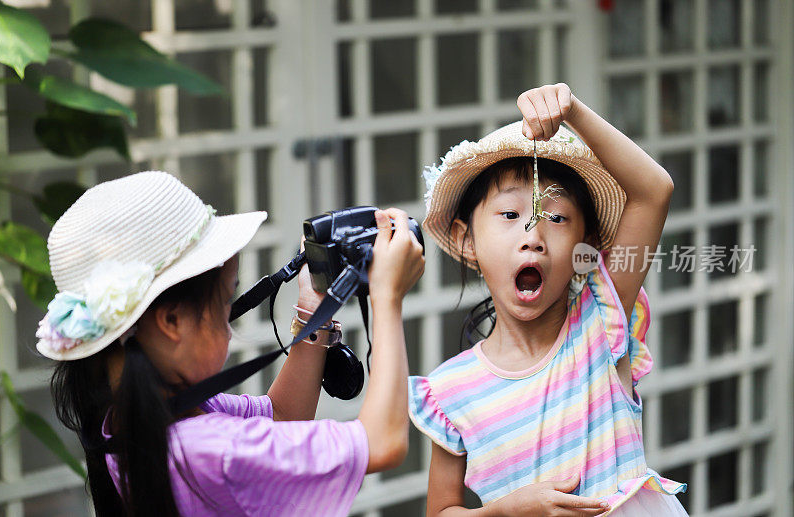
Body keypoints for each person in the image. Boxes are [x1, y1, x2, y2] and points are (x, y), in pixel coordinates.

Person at [40, 171, 424, 516]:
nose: (231, 320)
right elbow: (383, 442)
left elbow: (282, 417)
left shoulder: (140, 418)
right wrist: (386, 297)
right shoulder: (212, 451)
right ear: (172, 321)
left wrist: (313, 307)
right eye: (226, 301)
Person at [408, 83, 688, 516]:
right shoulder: (450, 391)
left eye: (556, 218)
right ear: (467, 241)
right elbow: (440, 511)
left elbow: (655, 190)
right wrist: (505, 511)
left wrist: (572, 110)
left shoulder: (601, 321)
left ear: (586, 245)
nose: (533, 237)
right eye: (510, 215)